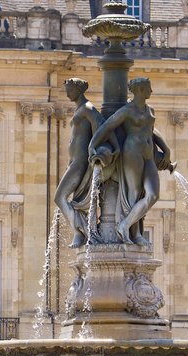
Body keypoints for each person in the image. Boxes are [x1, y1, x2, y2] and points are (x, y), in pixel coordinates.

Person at [88, 77, 174, 245]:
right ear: (140, 90)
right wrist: (92, 145)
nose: (152, 91)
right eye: (149, 88)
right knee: (133, 194)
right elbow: (107, 126)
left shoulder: (150, 110)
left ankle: (124, 224)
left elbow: (152, 131)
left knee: (153, 195)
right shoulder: (127, 110)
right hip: (132, 152)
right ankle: (134, 233)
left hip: (148, 154)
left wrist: (166, 150)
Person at [54, 78, 104, 247]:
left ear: (79, 89)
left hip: (81, 162)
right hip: (75, 161)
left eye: (70, 89)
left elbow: (101, 128)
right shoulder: (80, 109)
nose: (67, 92)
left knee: (59, 197)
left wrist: (95, 149)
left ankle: (80, 231)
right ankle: (82, 230)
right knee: (62, 198)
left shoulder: (88, 108)